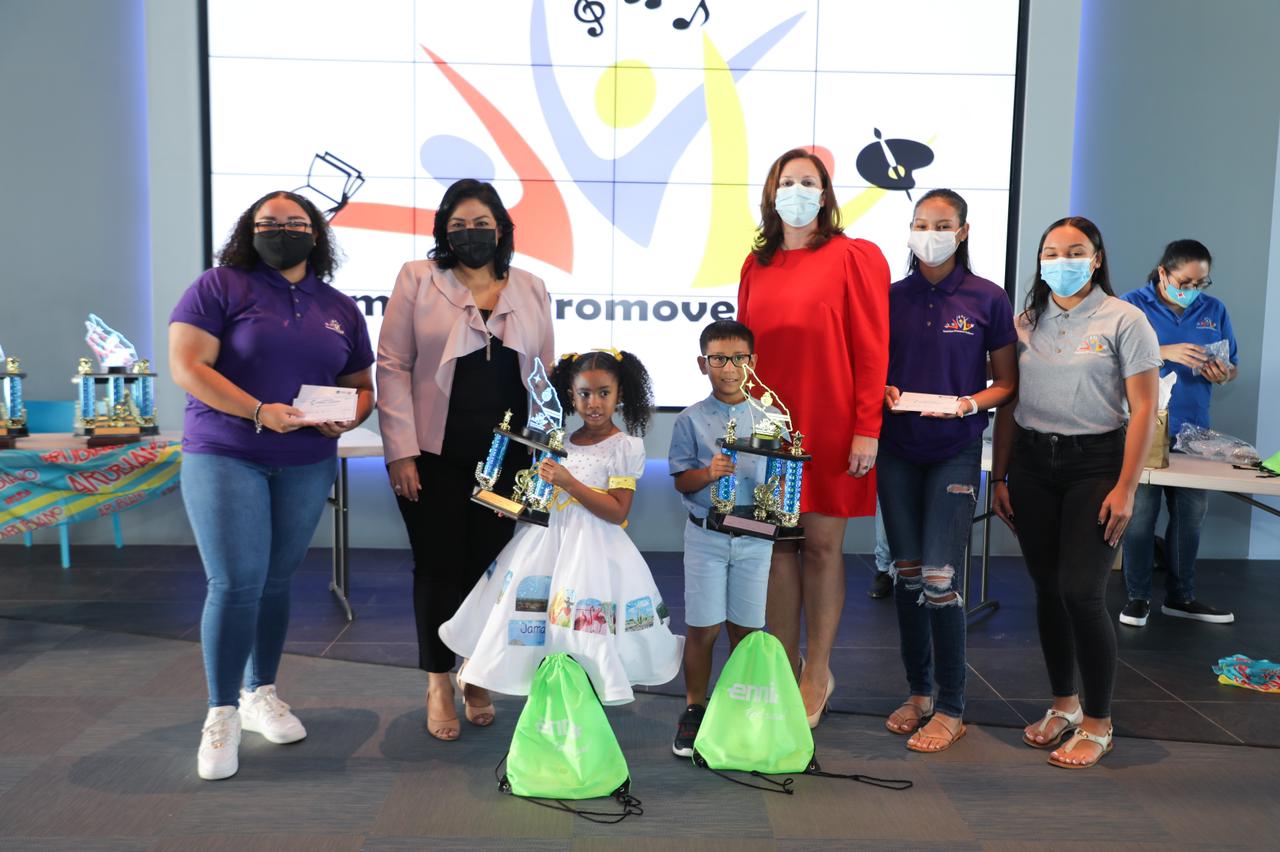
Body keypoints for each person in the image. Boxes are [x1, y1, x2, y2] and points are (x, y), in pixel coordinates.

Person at [169, 190, 375, 780]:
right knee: (236, 582)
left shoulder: (337, 305)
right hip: (226, 451)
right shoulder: (218, 287)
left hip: (307, 457)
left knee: (277, 581)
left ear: (316, 233)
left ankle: (261, 691)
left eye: (295, 222)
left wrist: (353, 414)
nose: (282, 229)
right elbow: (189, 366)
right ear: (248, 230)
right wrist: (259, 411)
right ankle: (222, 712)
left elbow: (359, 382)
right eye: (269, 222)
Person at [377, 179, 555, 740]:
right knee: (437, 568)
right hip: (433, 457)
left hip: (508, 461)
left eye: (481, 225)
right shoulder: (417, 279)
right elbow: (392, 366)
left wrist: (544, 458)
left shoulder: (531, 286)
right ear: (443, 232)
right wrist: (400, 451)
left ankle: (475, 674)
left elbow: (545, 377)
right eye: (458, 226)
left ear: (501, 229)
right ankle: (437, 678)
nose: (470, 235)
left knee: (492, 572)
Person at [992, 217, 1160, 769]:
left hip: (1097, 464)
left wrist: (1126, 488)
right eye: (1050, 251)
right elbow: (1011, 404)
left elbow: (1143, 412)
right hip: (1034, 465)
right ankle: (1064, 704)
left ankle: (1099, 722)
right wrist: (1000, 476)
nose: (1061, 260)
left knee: (1082, 592)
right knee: (1046, 587)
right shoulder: (1026, 322)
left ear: (1096, 258)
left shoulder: (1125, 319)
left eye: (1075, 251)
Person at [737, 148, 890, 726]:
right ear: (771, 193)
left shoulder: (855, 256)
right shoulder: (758, 265)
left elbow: (874, 347)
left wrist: (866, 429)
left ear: (825, 195)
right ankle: (780, 664)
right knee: (775, 549)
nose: (797, 191)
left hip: (831, 427)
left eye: (809, 182)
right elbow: (742, 356)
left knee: (822, 548)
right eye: (786, 182)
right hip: (768, 432)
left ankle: (817, 670)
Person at [439, 349, 684, 704]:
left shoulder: (625, 447)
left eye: (604, 393)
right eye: (584, 394)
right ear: (571, 395)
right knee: (524, 613)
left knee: (579, 619)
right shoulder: (562, 442)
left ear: (620, 395)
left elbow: (617, 511)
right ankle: (482, 676)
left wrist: (569, 482)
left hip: (594, 551)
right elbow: (545, 496)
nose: (594, 403)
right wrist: (518, 506)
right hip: (545, 544)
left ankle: (577, 691)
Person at [878, 189, 1018, 752]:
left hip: (955, 449)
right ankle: (919, 694)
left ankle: (953, 705)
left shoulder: (987, 298)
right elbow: (869, 367)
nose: (928, 232)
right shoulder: (888, 297)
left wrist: (968, 404)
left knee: (940, 579)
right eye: (919, 223)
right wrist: (878, 389)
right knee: (907, 575)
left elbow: (1007, 384)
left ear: (962, 232)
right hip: (896, 450)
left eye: (940, 224)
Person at [667, 320, 777, 756]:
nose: (729, 368)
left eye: (738, 358)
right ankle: (695, 708)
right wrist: (707, 474)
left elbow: (782, 473)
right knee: (703, 627)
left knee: (748, 631)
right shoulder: (689, 420)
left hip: (755, 538)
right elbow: (681, 482)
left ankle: (739, 708)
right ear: (702, 364)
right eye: (718, 359)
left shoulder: (772, 416)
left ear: (753, 362)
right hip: (707, 537)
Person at [1119, 240, 1238, 627]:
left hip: (1194, 432)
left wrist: (1224, 373)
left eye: (1201, 283)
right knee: (1140, 516)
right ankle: (1137, 598)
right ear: (1162, 273)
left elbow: (1232, 364)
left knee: (1191, 514)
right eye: (1185, 281)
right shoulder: (1130, 306)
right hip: (1144, 427)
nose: (1192, 291)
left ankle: (1181, 596)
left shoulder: (1214, 310)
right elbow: (1107, 360)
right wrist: (1163, 350)